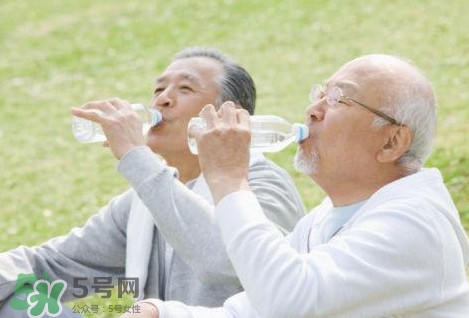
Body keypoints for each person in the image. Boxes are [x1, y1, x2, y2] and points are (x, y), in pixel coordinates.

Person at [119, 54, 469, 317]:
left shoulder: (413, 223)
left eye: (338, 99)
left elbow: (285, 303)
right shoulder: (325, 219)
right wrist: (157, 312)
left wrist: (228, 177)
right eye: (318, 95)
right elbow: (248, 312)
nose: (313, 111)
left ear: (392, 143)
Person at [0, 47, 305, 318]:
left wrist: (136, 156)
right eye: (159, 88)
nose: (162, 99)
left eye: (185, 88)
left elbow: (227, 263)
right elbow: (50, 266)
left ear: (227, 116)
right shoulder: (143, 200)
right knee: (19, 305)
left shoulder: (264, 185)